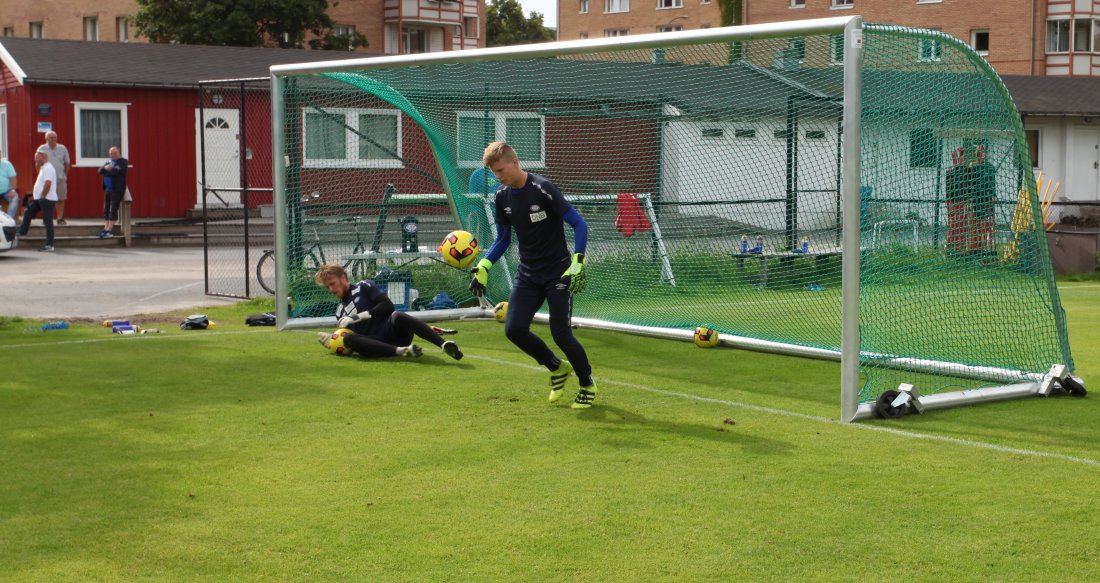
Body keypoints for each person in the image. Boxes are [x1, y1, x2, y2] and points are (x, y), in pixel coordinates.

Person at [469, 141, 597, 409]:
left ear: (515, 162)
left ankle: (586, 384)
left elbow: (579, 223)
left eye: (501, 170)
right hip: (528, 275)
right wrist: (484, 266)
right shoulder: (502, 196)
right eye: (495, 173)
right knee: (514, 329)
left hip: (558, 274)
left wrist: (578, 261)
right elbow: (503, 239)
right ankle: (556, 368)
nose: (498, 177)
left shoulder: (543, 188)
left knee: (561, 334)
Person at [314, 263, 464, 360]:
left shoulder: (364, 286)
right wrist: (332, 341)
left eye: (332, 284)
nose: (331, 290)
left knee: (398, 316)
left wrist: (355, 317)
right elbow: (348, 343)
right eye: (327, 287)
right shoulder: (339, 311)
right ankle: (401, 351)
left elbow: (387, 306)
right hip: (375, 344)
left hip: (394, 332)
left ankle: (444, 345)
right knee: (349, 339)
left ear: (343, 277)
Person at [17, 150, 58, 252]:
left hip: (47, 199)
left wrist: (43, 196)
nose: (35, 159)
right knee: (28, 212)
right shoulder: (43, 168)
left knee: (48, 222)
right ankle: (22, 232)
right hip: (40, 198)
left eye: (37, 157)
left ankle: (49, 245)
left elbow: (48, 183)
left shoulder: (48, 168)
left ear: (44, 157)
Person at [37, 131, 71, 225]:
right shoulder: (41, 149)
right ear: (46, 138)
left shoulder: (62, 148)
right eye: (51, 137)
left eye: (54, 137)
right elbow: (37, 163)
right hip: (47, 180)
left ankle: (60, 218)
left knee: (60, 199)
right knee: (46, 199)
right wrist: (40, 175)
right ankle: (47, 219)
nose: (53, 139)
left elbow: (67, 162)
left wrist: (65, 175)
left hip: (60, 178)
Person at [97, 146, 128, 238]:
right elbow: (99, 171)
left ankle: (109, 230)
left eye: (114, 153)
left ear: (119, 153)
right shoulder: (109, 162)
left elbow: (115, 173)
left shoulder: (123, 162)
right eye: (111, 153)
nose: (113, 155)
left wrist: (105, 170)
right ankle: (105, 228)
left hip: (117, 189)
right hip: (108, 189)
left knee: (113, 209)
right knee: (106, 209)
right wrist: (105, 168)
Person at [0, 147, 17, 220]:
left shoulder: (7, 164)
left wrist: (13, 190)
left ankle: (9, 220)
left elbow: (13, 178)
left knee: (15, 198)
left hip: (7, 191)